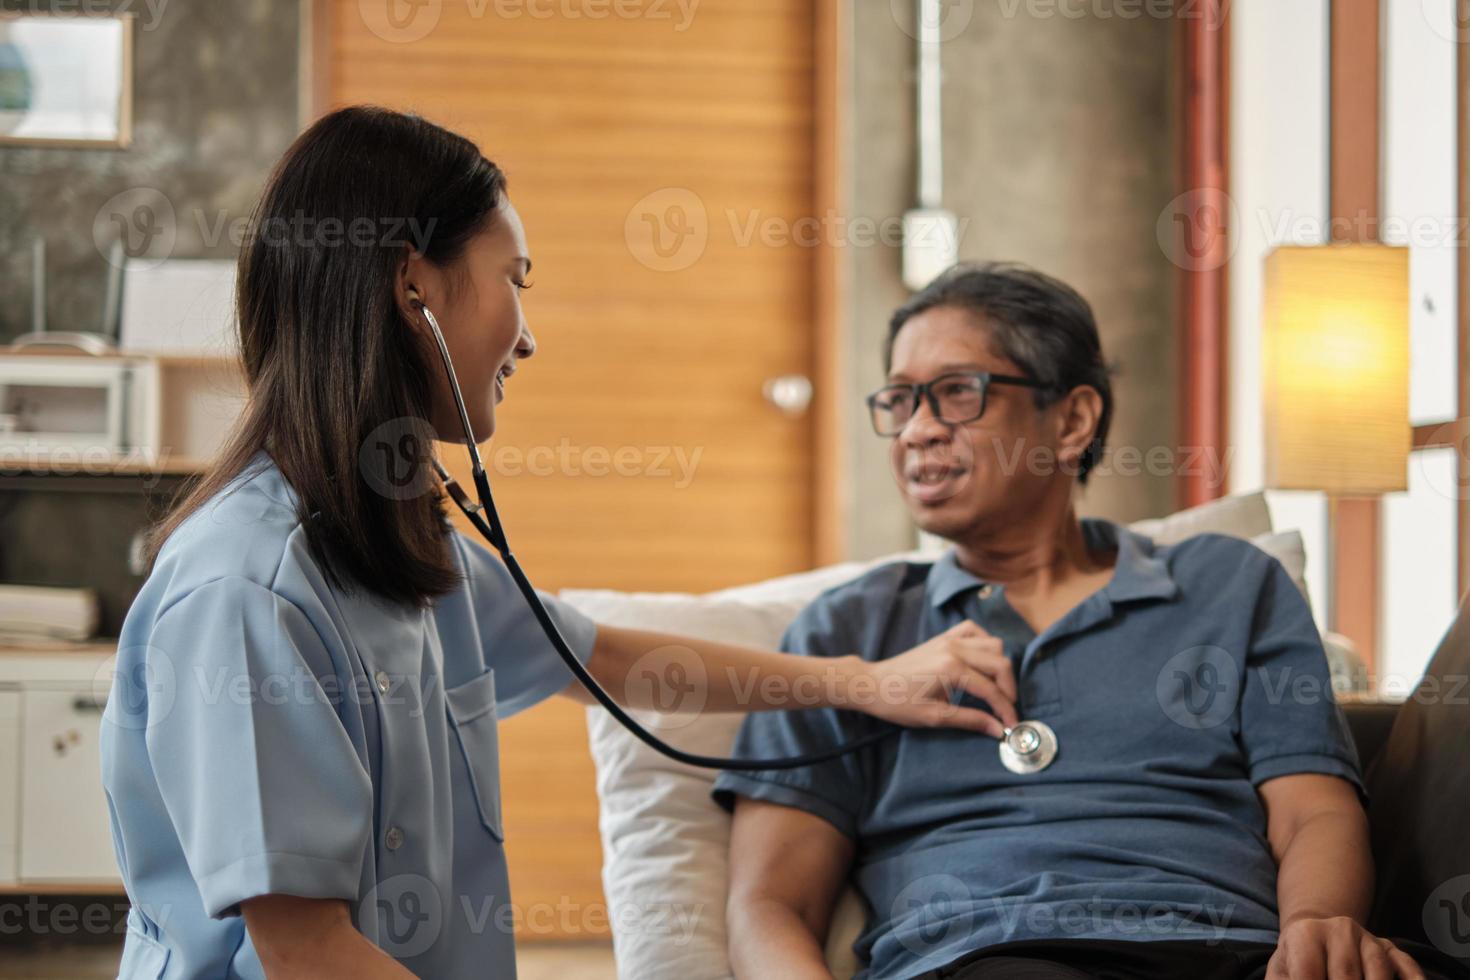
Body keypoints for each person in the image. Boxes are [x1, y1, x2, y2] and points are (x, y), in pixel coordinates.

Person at [98, 106, 1009, 978]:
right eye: (515, 283)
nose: (527, 338)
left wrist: (871, 682)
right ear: (412, 286)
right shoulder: (246, 593)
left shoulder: (407, 552)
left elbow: (607, 660)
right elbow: (307, 956)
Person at [713, 263, 1464, 980]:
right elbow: (773, 902)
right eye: (901, 401)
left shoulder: (1229, 585)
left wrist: (1317, 928)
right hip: (991, 956)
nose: (917, 430)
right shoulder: (846, 635)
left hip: (1231, 951)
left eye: (956, 394)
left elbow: (1311, 811)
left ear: (1073, 419)